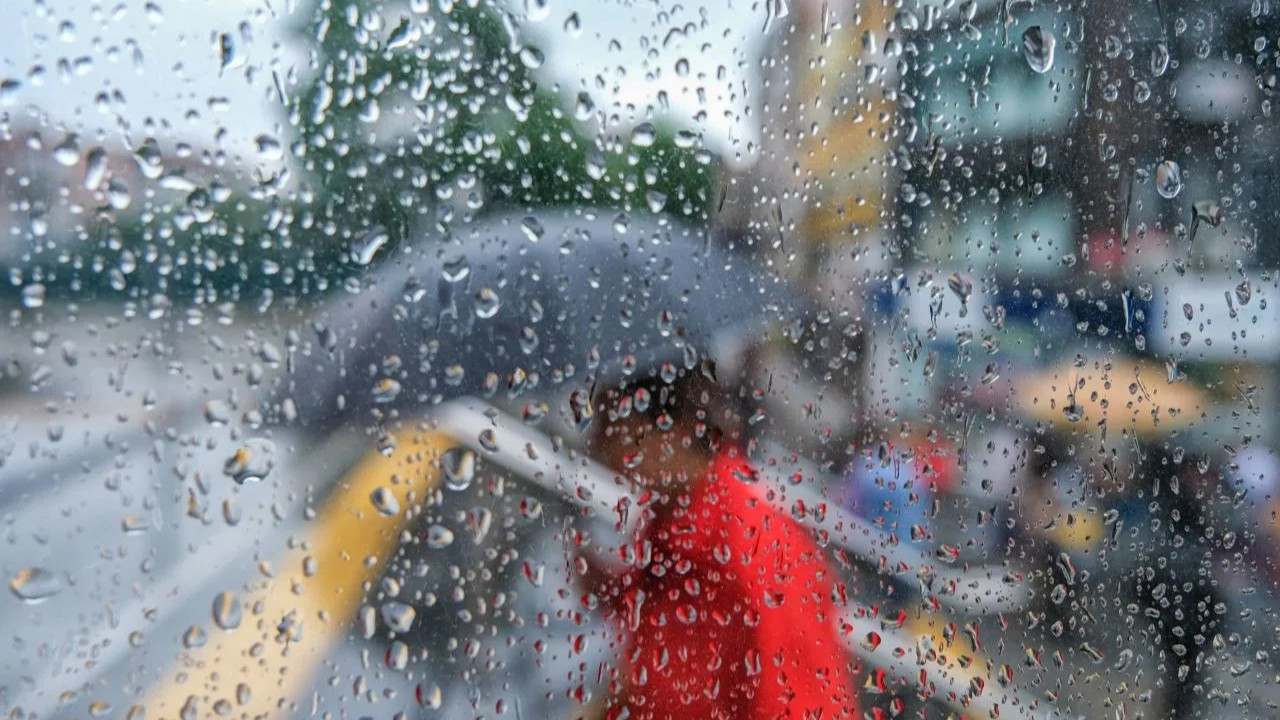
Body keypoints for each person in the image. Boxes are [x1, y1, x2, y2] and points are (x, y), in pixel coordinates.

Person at [578, 359, 859, 720]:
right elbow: (678, 628)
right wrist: (614, 593)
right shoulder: (673, 518)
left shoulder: (753, 546)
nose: (597, 446)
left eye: (611, 428)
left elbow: (799, 702)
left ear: (671, 429)